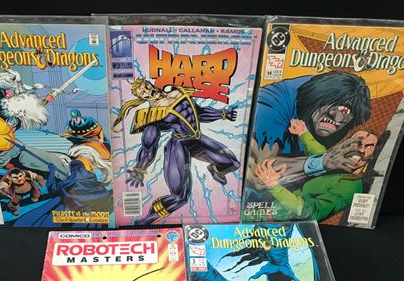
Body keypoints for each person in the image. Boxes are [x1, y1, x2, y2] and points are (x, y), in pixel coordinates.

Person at [114, 78, 239, 224]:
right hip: (178, 146)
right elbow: (149, 145)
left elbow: (198, 113)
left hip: (195, 139)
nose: (147, 91)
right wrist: (139, 169)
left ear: (150, 84)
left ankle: (215, 170)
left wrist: (222, 114)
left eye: (146, 86)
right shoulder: (153, 114)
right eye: (143, 92)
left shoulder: (178, 92)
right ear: (141, 97)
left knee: (232, 163)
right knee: (179, 197)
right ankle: (148, 219)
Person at [255, 123, 378, 222]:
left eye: (369, 146)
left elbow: (313, 213)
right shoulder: (337, 164)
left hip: (277, 222)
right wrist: (303, 133)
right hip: (265, 207)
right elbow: (320, 155)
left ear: (373, 156)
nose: (360, 149)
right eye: (357, 142)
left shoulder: (351, 185)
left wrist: (274, 186)